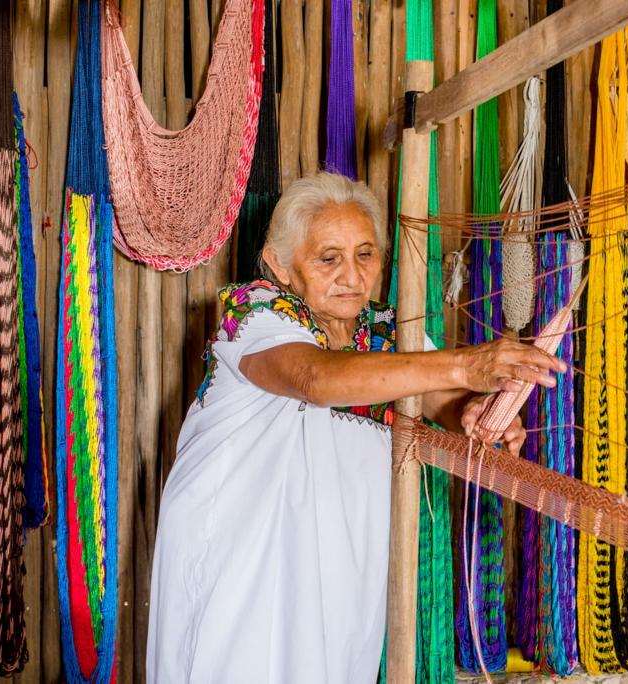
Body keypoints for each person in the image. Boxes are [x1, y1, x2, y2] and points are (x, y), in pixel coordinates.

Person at [146, 172, 565, 682]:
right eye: (329, 258)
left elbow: (442, 398)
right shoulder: (255, 313)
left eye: (365, 255)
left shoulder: (385, 331)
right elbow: (314, 377)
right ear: (280, 264)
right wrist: (466, 366)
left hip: (338, 561)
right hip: (244, 554)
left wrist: (472, 411)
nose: (351, 274)